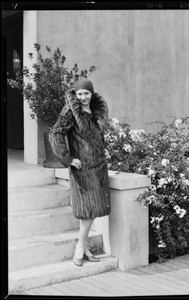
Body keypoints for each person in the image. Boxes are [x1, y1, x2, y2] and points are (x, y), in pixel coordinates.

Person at [49, 78, 111, 266]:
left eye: (86, 93)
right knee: (88, 211)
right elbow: (56, 133)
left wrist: (103, 148)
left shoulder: (96, 109)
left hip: (98, 166)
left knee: (90, 210)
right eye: (80, 94)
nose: (83, 97)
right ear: (75, 94)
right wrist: (68, 158)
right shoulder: (70, 110)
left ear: (92, 93)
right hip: (82, 167)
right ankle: (80, 247)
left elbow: (97, 135)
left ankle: (84, 248)